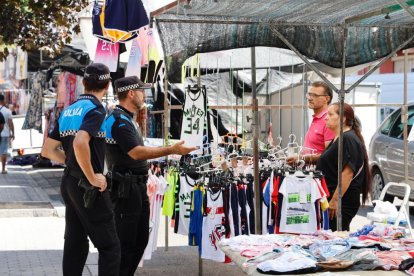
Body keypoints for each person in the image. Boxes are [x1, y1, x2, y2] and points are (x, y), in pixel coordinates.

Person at [105, 76, 196, 276]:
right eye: (141, 91)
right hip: (125, 191)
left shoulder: (126, 119)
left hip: (134, 188)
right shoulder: (118, 121)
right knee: (127, 244)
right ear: (130, 93)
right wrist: (170, 150)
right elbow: (136, 152)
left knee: (139, 241)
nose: (144, 95)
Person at [41, 63, 121, 276]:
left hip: (70, 183)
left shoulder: (68, 111)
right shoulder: (96, 110)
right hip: (88, 188)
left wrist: (72, 163)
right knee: (110, 247)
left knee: (75, 243)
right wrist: (92, 176)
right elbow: (80, 142)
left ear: (84, 83)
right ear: (107, 85)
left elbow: (48, 150)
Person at [316, 102, 372, 231]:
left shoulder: (348, 139)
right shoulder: (339, 137)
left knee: (337, 237)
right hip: (332, 198)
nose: (326, 117)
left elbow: (347, 173)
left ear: (342, 119)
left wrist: (335, 201)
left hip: (342, 201)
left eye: (330, 114)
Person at [0, 95, 14, 174]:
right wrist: (13, 133)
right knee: (3, 151)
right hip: (4, 133)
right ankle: (3, 169)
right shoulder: (7, 111)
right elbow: (10, 123)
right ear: (2, 100)